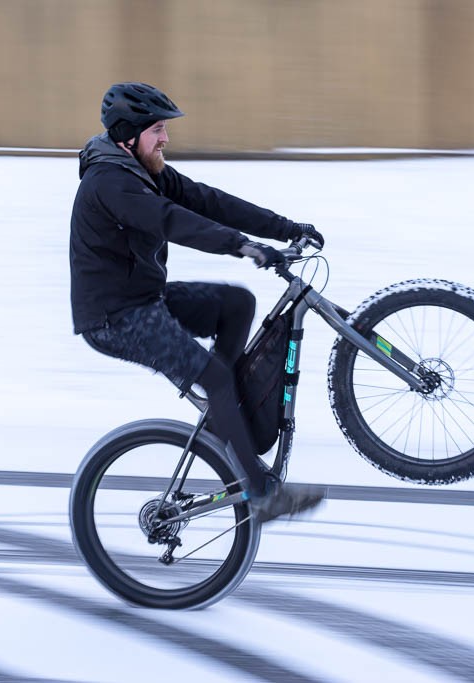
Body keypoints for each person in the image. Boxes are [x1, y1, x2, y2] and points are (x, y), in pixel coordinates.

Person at [70, 82, 326, 522]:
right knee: (214, 377)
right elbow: (173, 220)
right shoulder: (109, 182)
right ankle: (261, 492)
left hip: (144, 300)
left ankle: (224, 421)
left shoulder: (142, 170)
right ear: (127, 135)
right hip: (114, 318)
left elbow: (208, 201)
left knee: (237, 304)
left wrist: (283, 228)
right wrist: (243, 248)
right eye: (157, 130)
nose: (166, 138)